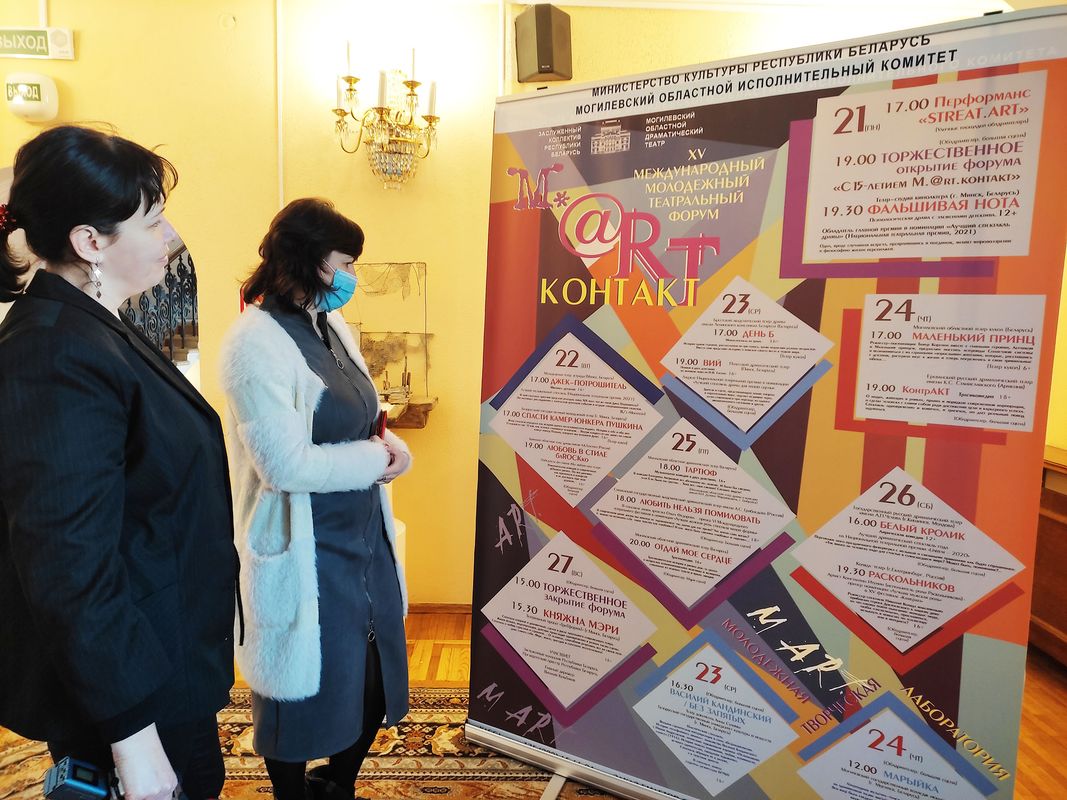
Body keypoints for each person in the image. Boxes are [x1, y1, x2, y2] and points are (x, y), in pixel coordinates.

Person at [0, 126, 238, 800]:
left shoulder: (94, 325)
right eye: (153, 221)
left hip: (162, 658)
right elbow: (68, 562)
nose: (170, 238)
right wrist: (133, 742)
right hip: (132, 688)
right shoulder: (53, 352)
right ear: (90, 242)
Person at [218, 198, 412, 800]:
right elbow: (285, 465)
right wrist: (374, 461)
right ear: (307, 259)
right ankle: (293, 793)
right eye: (345, 262)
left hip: (362, 538)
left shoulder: (332, 327)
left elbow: (364, 417)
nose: (353, 275)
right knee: (298, 695)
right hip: (305, 544)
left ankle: (338, 784)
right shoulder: (254, 343)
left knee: (371, 681)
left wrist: (391, 449)